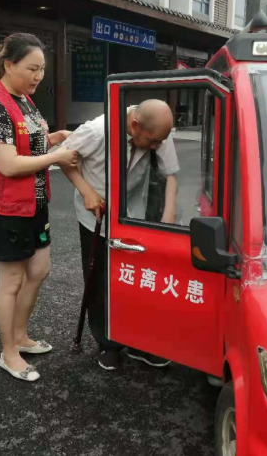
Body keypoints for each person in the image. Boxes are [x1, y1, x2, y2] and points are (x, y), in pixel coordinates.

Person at [0, 33, 78, 382]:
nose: (39, 76)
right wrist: (56, 157)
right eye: (32, 68)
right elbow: (8, 164)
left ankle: (20, 335)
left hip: (34, 201)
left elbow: (29, 143)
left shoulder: (25, 100)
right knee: (12, 280)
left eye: (42, 69)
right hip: (4, 205)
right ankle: (9, 353)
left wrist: (53, 139)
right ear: (8, 64)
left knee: (39, 269)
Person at [61, 100, 179, 371]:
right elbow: (64, 158)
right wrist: (87, 191)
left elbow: (171, 174)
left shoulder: (158, 129)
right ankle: (107, 342)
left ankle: (139, 341)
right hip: (96, 214)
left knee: (137, 278)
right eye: (151, 141)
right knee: (99, 278)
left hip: (134, 212)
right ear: (134, 125)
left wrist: (169, 212)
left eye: (158, 142)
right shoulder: (97, 131)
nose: (155, 147)